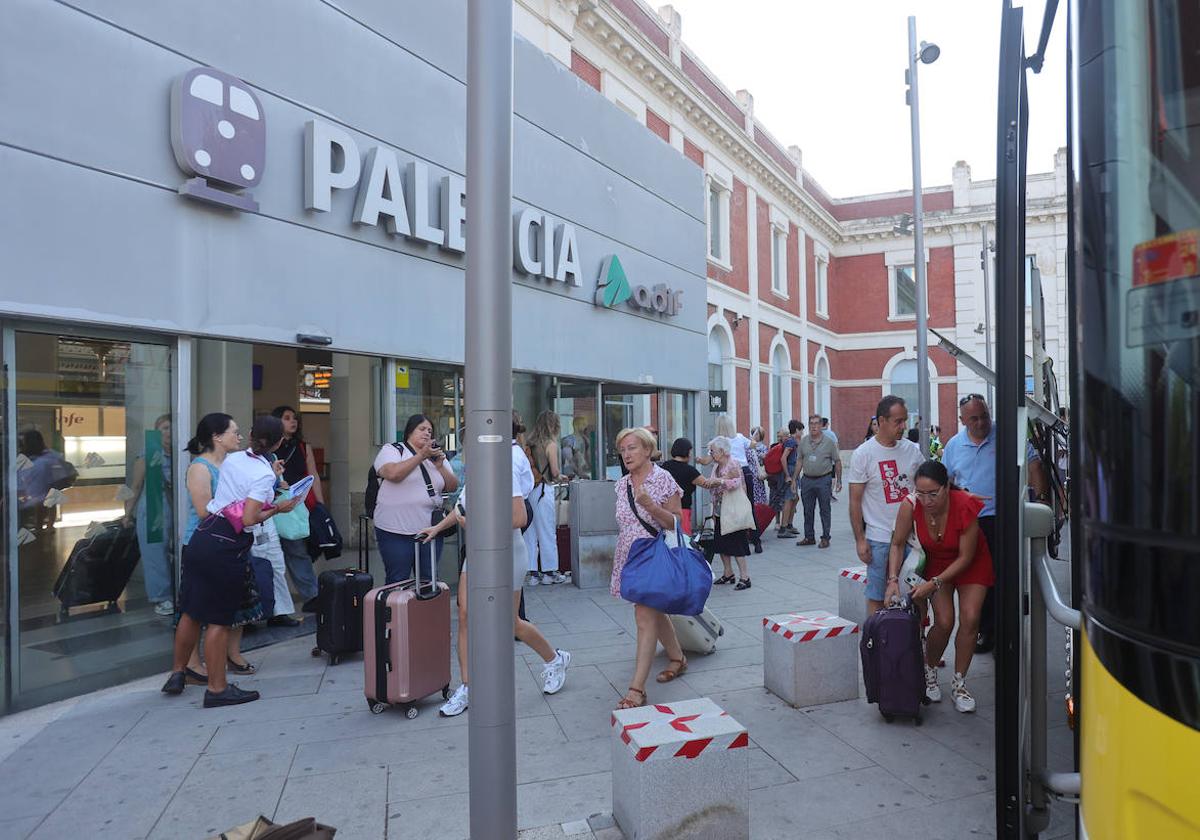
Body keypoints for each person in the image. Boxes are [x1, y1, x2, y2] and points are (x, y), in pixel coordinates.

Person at [431, 412, 571, 717]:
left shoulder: (507, 457)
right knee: (466, 613)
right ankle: (468, 687)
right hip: (481, 548)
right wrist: (436, 529)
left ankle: (554, 659)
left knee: (509, 622)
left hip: (507, 548)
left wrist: (478, 523)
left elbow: (518, 518)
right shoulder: (487, 456)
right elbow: (462, 506)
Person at [163, 415, 301, 707]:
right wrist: (279, 508)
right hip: (226, 546)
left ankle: (178, 672)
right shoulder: (261, 473)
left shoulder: (235, 460)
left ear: (252, 435)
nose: (238, 436)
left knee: (191, 610)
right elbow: (250, 517)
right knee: (219, 620)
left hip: (203, 537)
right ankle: (217, 688)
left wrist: (270, 477)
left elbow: (240, 493)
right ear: (279, 443)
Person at [942, 394, 1048, 653]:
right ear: (962, 420)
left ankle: (1004, 629)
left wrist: (1041, 500)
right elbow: (946, 482)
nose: (981, 423)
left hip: (1003, 518)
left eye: (984, 416)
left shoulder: (1007, 435)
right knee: (980, 580)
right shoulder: (954, 446)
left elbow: (1034, 465)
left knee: (1004, 576)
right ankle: (985, 630)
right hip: (971, 523)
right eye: (974, 418)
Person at [885, 460, 993, 712]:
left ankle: (959, 683)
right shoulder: (910, 506)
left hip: (972, 561)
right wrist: (892, 580)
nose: (927, 499)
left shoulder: (964, 504)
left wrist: (933, 583)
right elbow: (897, 543)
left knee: (970, 617)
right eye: (921, 493)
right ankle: (929, 670)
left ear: (946, 488)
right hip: (936, 561)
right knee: (944, 621)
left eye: (933, 493)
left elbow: (966, 557)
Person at [607, 427, 687, 710]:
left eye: (632, 448)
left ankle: (636, 689)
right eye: (623, 449)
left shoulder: (663, 478)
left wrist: (651, 506)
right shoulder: (622, 484)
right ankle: (677, 658)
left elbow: (677, 523)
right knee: (652, 612)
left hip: (654, 558)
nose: (626, 454)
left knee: (644, 616)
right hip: (630, 557)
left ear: (647, 450)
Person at [178, 413, 255, 680]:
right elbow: (204, 511)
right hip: (205, 545)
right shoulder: (200, 468)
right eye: (235, 432)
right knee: (198, 608)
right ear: (217, 437)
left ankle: (230, 655)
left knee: (233, 605)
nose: (240, 437)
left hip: (232, 543)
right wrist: (249, 508)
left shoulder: (233, 464)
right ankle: (191, 665)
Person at [848, 396, 925, 616]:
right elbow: (854, 501)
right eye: (898, 422)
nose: (903, 427)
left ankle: (915, 640)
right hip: (879, 538)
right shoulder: (863, 454)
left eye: (904, 421)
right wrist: (860, 539)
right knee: (877, 596)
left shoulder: (912, 450)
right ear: (882, 420)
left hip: (913, 538)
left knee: (917, 594)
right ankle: (877, 641)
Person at [372, 414, 459, 585]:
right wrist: (421, 456)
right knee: (398, 580)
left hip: (430, 529)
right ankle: (397, 611)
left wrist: (440, 467)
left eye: (430, 430)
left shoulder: (436, 457)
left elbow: (452, 486)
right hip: (395, 529)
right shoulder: (393, 450)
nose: (427, 433)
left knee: (429, 579)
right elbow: (393, 474)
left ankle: (425, 612)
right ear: (410, 431)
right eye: (422, 429)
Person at [270, 406, 323, 612]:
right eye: (286, 418)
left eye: (295, 418)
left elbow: (313, 475)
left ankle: (312, 595)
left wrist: (319, 505)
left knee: (297, 549)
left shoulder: (302, 446)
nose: (293, 422)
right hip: (272, 504)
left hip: (296, 506)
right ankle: (275, 605)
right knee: (272, 555)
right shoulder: (268, 449)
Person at [122, 415, 175, 617]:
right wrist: (127, 514)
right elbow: (135, 486)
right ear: (156, 431)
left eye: (172, 428)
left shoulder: (183, 454)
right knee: (155, 556)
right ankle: (162, 598)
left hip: (177, 510)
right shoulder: (149, 453)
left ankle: (178, 594)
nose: (169, 432)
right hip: (154, 509)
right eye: (164, 428)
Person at [700, 436, 753, 590]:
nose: (711, 454)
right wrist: (712, 483)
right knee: (721, 543)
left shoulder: (733, 463)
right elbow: (713, 483)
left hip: (733, 509)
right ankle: (728, 573)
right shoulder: (716, 466)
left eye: (713, 451)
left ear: (722, 451)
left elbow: (737, 482)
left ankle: (745, 576)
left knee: (737, 543)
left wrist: (721, 481)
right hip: (720, 509)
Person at [524, 411, 567, 585]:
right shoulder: (551, 444)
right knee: (547, 532)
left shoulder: (529, 443)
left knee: (530, 533)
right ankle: (550, 572)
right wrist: (562, 477)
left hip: (529, 490)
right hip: (543, 489)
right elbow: (555, 472)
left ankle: (532, 573)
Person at [796, 413, 842, 549]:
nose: (814, 426)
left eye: (817, 423)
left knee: (825, 509)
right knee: (807, 510)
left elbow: (837, 461)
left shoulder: (829, 442)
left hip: (824, 479)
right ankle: (809, 537)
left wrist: (839, 480)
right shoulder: (804, 441)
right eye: (811, 424)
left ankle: (825, 537)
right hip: (807, 480)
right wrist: (794, 479)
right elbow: (799, 460)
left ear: (822, 426)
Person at [661, 438, 703, 534]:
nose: (691, 454)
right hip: (682, 510)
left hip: (665, 510)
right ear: (687, 452)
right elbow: (707, 483)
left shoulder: (664, 466)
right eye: (690, 451)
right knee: (683, 541)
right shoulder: (690, 471)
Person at [776, 420, 805, 537]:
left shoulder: (793, 441)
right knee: (789, 499)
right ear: (797, 430)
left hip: (794, 472)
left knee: (795, 498)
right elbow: (783, 458)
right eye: (801, 430)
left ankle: (789, 524)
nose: (802, 432)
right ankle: (783, 528)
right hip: (791, 472)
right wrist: (788, 475)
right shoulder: (791, 442)